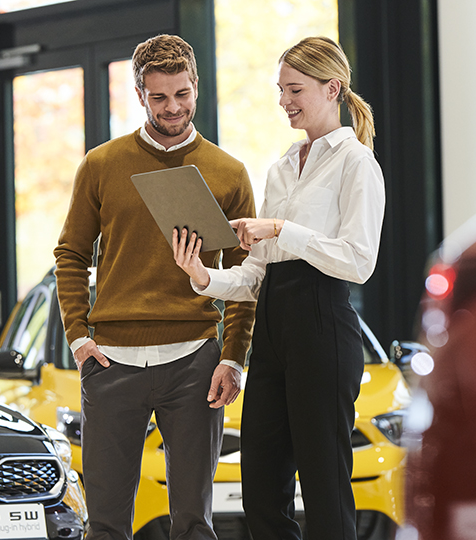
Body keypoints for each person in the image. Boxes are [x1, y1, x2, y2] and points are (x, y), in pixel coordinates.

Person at [173, 36, 385, 540]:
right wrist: (204, 278)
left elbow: (359, 261)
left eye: (295, 89)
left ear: (332, 88)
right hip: (271, 332)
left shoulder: (357, 164)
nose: (284, 101)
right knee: (261, 491)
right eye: (280, 90)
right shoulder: (282, 167)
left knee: (324, 489)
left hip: (322, 325)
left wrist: (280, 230)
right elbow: (258, 274)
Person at [53, 34, 256, 540]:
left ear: (196, 89)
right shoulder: (100, 165)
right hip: (111, 362)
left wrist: (232, 358)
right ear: (140, 95)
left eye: (182, 94)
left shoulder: (229, 173)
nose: (173, 107)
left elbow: (248, 277)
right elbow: (70, 255)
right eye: (159, 97)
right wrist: (79, 338)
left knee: (193, 522)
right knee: (104, 523)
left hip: (195, 363)